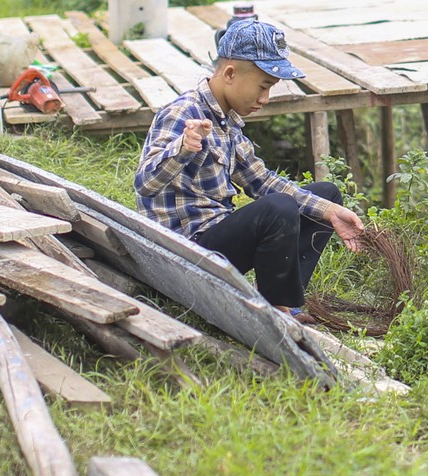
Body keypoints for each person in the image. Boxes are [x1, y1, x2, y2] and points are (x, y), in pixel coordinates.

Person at [135, 17, 366, 312]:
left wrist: (331, 212)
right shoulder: (184, 113)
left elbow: (262, 182)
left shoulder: (228, 123)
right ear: (230, 73)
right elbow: (145, 184)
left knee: (325, 195)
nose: (265, 99)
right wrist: (181, 149)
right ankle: (276, 310)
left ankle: (283, 303)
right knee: (279, 208)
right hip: (187, 251)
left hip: (217, 240)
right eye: (263, 87)